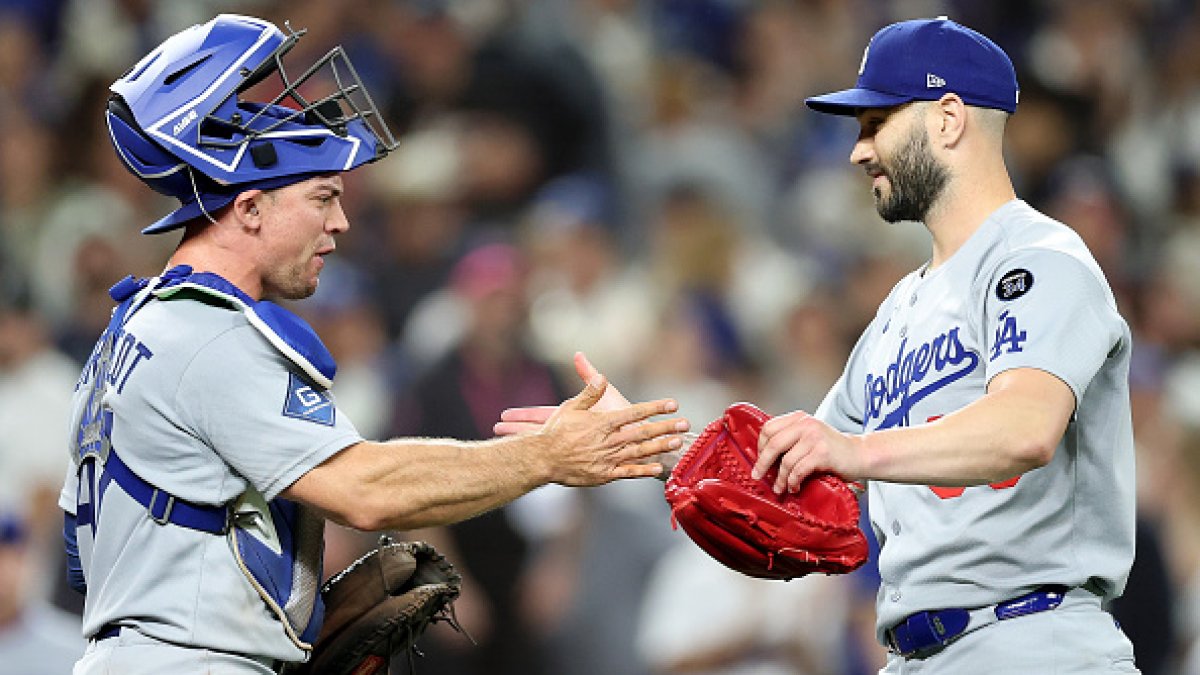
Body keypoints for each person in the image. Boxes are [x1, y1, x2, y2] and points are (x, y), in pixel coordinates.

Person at [500, 17, 1139, 674]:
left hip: (1035, 638)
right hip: (916, 653)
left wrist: (854, 449)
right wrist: (643, 443)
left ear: (949, 120)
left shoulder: (1037, 259)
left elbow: (1026, 427)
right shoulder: (898, 312)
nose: (858, 151)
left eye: (876, 124)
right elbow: (783, 485)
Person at [59, 14, 686, 675]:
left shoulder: (135, 326)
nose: (342, 220)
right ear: (248, 208)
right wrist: (546, 455)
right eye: (323, 195)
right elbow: (366, 489)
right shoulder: (207, 333)